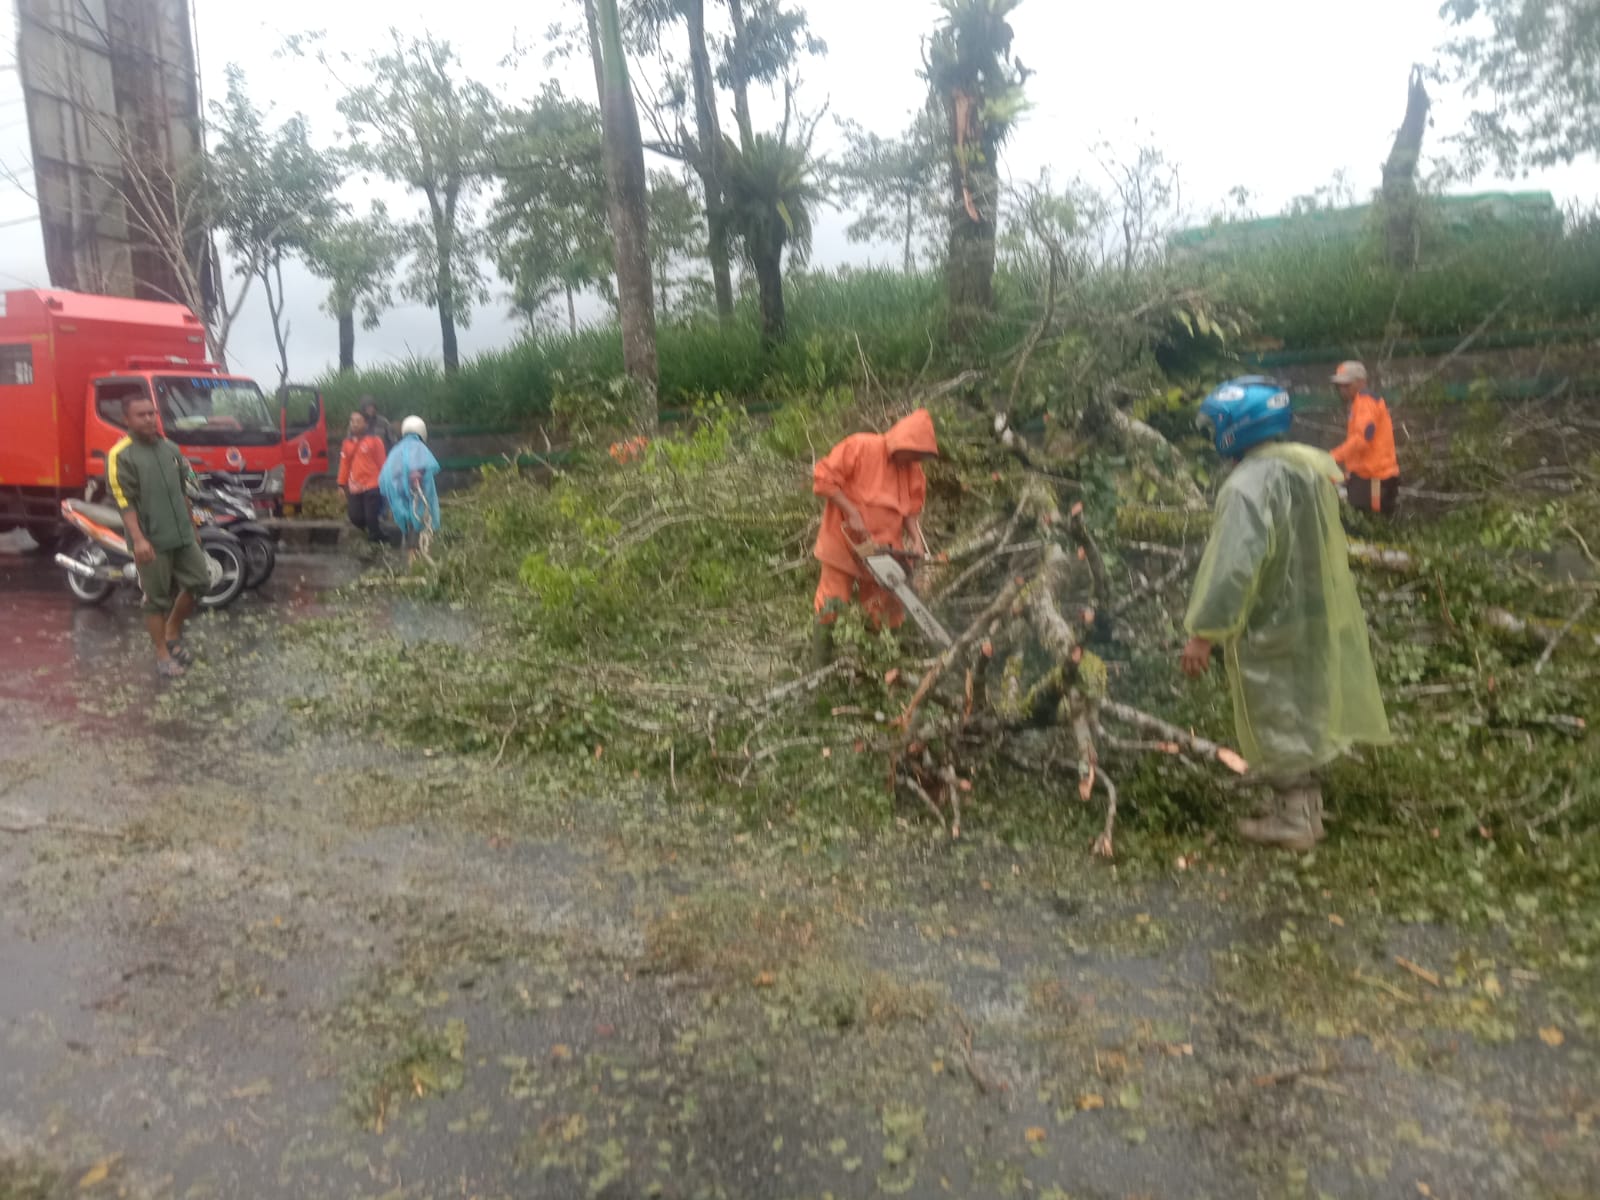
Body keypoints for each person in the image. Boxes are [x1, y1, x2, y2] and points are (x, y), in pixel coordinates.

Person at [1181, 377, 1392, 851]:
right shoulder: (1307, 467)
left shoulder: (1245, 487)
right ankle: (1304, 808)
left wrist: (1204, 633)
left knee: (1277, 710)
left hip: (1272, 616)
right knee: (1308, 707)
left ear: (1234, 429)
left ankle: (1296, 821)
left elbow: (1233, 566)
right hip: (1316, 610)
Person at [811, 408, 939, 664]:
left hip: (883, 549)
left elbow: (912, 510)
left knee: (886, 607)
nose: (914, 459)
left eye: (918, 456)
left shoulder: (914, 472)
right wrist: (851, 511)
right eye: (912, 453)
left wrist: (915, 539)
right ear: (900, 441)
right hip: (843, 541)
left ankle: (877, 663)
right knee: (832, 602)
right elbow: (822, 478)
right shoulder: (861, 447)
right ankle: (820, 665)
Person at [106, 394, 210, 678]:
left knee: (200, 581)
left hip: (182, 534)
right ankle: (162, 653)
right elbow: (124, 501)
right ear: (126, 420)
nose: (150, 419)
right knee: (156, 599)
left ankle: (172, 629)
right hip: (151, 540)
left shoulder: (170, 449)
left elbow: (183, 491)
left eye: (152, 413)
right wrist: (139, 539)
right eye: (142, 415)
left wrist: (193, 528)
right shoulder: (121, 455)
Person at [1328, 361, 1400, 516]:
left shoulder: (1366, 403)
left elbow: (1361, 440)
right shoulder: (1360, 403)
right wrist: (1350, 471)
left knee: (1369, 527)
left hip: (1374, 479)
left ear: (1361, 382)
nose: (1342, 389)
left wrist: (1332, 457)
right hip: (1368, 477)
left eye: (1347, 385)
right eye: (1340, 385)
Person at [379, 416, 441, 567]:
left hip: (402, 498)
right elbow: (417, 468)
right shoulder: (417, 447)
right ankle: (417, 564)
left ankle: (412, 560)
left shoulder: (397, 449)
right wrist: (415, 479)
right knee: (420, 525)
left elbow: (389, 474)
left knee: (409, 527)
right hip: (417, 496)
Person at [338, 410, 392, 545]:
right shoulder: (347, 443)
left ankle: (376, 540)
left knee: (371, 516)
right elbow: (344, 465)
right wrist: (341, 484)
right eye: (352, 421)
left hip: (372, 484)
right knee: (355, 517)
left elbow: (382, 462)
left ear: (365, 424)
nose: (354, 424)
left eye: (358, 421)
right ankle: (377, 534)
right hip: (355, 486)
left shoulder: (375, 441)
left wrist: (386, 482)